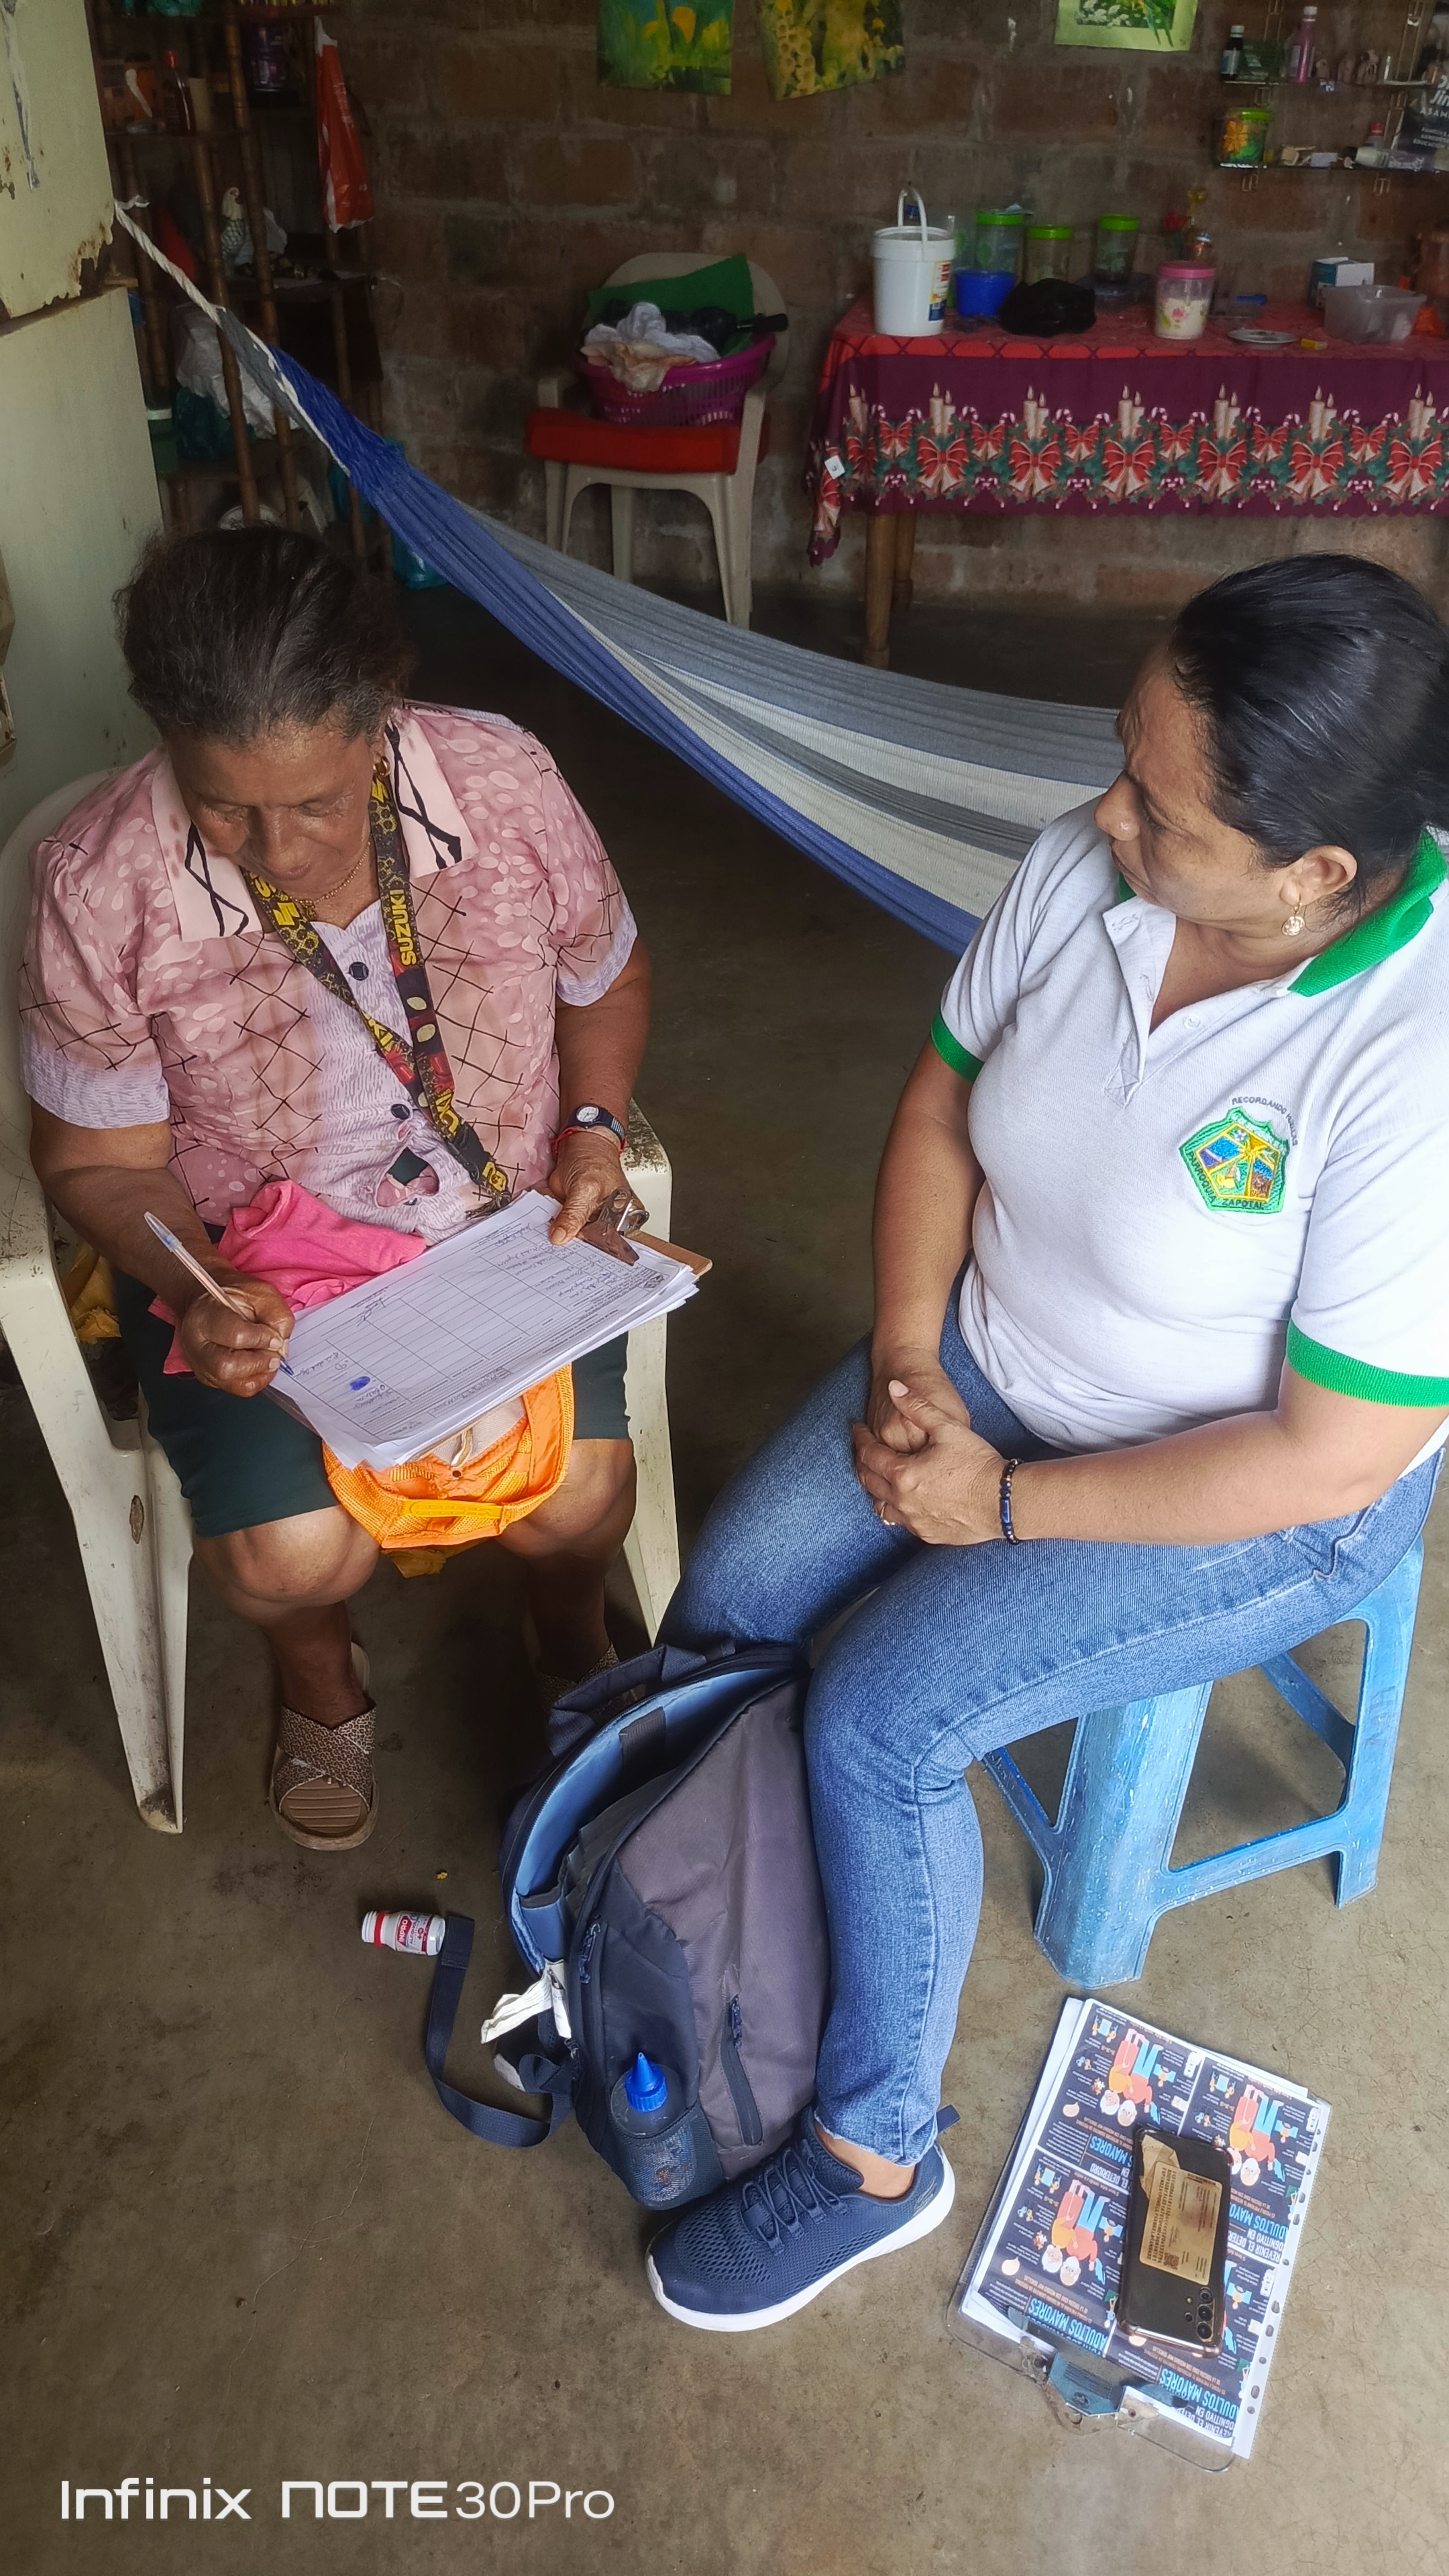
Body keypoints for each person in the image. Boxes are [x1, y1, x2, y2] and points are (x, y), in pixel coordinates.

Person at [647, 554, 1449, 2332]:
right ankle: (735, 1945)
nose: (1104, 820)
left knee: (880, 1718)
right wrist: (911, 1360)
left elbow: (1324, 1455)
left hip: (1250, 1491)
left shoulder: (1417, 1060)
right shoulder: (1094, 871)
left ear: (1317, 876)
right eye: (1121, 763)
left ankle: (874, 2156)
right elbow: (943, 1104)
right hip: (996, 1355)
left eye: (1161, 812)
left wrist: (999, 1502)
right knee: (733, 1602)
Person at [21, 527, 649, 1849]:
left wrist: (593, 1132)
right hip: (260, 1272)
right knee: (293, 1553)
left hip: (497, 1232)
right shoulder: (101, 882)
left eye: (313, 802)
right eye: (226, 807)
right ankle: (319, 1672)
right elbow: (93, 1161)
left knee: (582, 1496)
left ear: (381, 716)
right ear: (166, 743)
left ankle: (567, 1631)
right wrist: (196, 1288)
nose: (276, 850)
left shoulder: (502, 783)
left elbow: (605, 975)